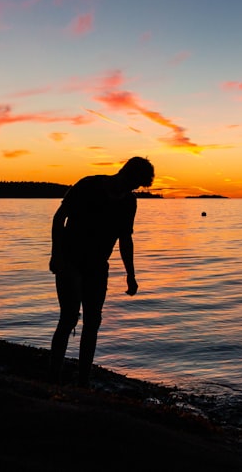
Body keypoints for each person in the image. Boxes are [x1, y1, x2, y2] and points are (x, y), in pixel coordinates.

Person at [49, 156, 154, 387]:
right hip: (70, 259)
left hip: (97, 265)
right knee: (68, 317)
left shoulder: (129, 202)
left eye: (138, 186)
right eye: (135, 182)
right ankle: (53, 378)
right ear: (126, 173)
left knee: (93, 321)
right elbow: (59, 218)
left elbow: (125, 239)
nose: (135, 188)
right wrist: (55, 254)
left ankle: (83, 381)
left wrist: (131, 275)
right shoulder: (88, 184)